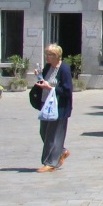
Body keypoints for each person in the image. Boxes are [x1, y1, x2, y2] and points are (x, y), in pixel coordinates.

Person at [35, 43, 73, 172]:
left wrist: (50, 88)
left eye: (50, 54)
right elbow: (44, 82)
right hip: (46, 105)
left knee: (53, 135)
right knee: (44, 132)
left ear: (57, 56)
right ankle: (62, 151)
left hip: (59, 106)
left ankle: (50, 163)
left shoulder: (64, 69)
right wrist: (39, 77)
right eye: (46, 54)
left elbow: (67, 90)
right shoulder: (48, 67)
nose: (47, 57)